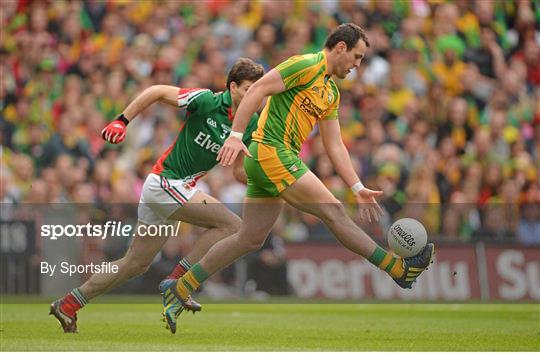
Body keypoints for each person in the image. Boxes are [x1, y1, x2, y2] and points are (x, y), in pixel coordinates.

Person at [160, 23, 435, 332]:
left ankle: (181, 287)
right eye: (356, 57)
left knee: (249, 238)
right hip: (270, 152)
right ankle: (397, 268)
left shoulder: (330, 92)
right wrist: (236, 135)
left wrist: (356, 185)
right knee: (332, 211)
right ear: (340, 47)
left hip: (271, 159)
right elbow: (259, 90)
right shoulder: (304, 64)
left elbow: (334, 144)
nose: (358, 65)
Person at [49, 58, 265, 333]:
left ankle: (69, 304)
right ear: (233, 87)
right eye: (249, 89)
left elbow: (238, 173)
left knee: (135, 263)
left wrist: (267, 180)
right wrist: (122, 120)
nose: (255, 96)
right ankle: (179, 281)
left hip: (176, 189)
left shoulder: (250, 124)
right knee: (232, 225)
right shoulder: (207, 100)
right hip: (165, 183)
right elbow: (157, 91)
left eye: (259, 91)